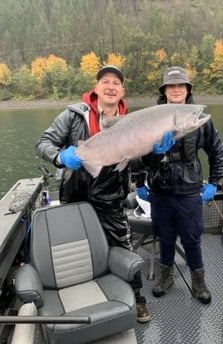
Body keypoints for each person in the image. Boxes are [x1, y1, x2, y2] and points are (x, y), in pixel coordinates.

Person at [35, 65, 151, 323]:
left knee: (123, 247)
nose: (110, 86)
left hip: (111, 199)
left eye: (116, 83)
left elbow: (134, 163)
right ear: (96, 87)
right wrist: (59, 157)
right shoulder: (73, 115)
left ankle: (137, 298)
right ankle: (84, 302)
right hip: (75, 196)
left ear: (123, 91)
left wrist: (151, 154)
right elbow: (43, 143)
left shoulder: (131, 122)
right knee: (77, 253)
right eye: (105, 81)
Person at [136, 66, 223, 304]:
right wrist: (138, 181)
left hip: (189, 190)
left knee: (191, 238)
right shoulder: (151, 118)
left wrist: (214, 183)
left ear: (187, 90)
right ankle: (166, 277)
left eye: (181, 85)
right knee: (165, 237)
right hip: (160, 190)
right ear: (164, 90)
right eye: (171, 86)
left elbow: (217, 152)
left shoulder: (200, 120)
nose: (176, 89)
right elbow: (139, 156)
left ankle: (198, 281)